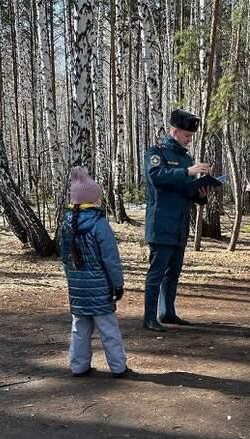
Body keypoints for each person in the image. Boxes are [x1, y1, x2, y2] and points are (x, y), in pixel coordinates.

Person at [142, 109, 212, 332]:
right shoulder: (156, 153)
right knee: (156, 273)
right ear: (174, 131)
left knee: (174, 272)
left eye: (191, 136)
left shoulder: (185, 157)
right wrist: (187, 171)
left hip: (180, 225)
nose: (189, 139)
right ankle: (149, 317)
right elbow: (157, 178)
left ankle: (167, 312)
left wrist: (199, 194)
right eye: (186, 135)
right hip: (161, 223)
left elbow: (183, 190)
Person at [59, 166, 129, 378]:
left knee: (79, 329)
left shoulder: (65, 224)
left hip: (78, 289)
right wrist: (118, 284)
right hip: (100, 289)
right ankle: (118, 367)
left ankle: (78, 366)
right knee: (109, 330)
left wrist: (72, 279)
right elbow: (111, 259)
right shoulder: (100, 224)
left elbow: (64, 258)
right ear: (94, 200)